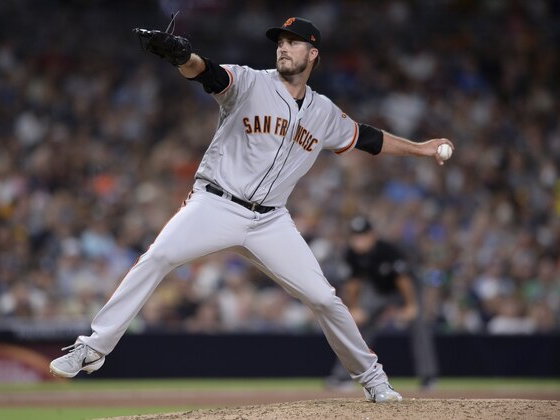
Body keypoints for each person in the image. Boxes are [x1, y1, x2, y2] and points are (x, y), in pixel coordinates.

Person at [49, 16, 454, 403]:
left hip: (271, 220)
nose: (283, 48)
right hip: (216, 203)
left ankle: (373, 380)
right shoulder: (249, 82)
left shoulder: (324, 112)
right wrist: (178, 56)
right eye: (280, 42)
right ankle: (92, 348)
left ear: (313, 54)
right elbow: (208, 73)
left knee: (325, 299)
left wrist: (421, 148)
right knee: (158, 257)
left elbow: (368, 138)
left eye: (293, 42)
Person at [325, 215, 439, 391]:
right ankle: (342, 376)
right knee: (357, 327)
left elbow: (404, 280)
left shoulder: (387, 250)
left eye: (363, 235)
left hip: (404, 292)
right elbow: (353, 285)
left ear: (372, 235)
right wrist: (355, 308)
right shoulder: (351, 254)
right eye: (355, 236)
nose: (359, 241)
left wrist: (411, 306)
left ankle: (428, 377)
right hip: (378, 292)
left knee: (419, 326)